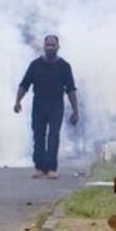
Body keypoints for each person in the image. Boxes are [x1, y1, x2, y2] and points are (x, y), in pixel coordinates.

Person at [14, 35, 79, 179]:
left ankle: (52, 168)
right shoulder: (35, 65)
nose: (50, 48)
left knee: (53, 136)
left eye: (53, 45)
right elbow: (24, 84)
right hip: (39, 105)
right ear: (44, 47)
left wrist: (75, 111)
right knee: (38, 136)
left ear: (58, 47)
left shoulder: (64, 66)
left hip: (56, 105)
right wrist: (17, 101)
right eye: (48, 45)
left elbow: (71, 90)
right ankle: (39, 167)